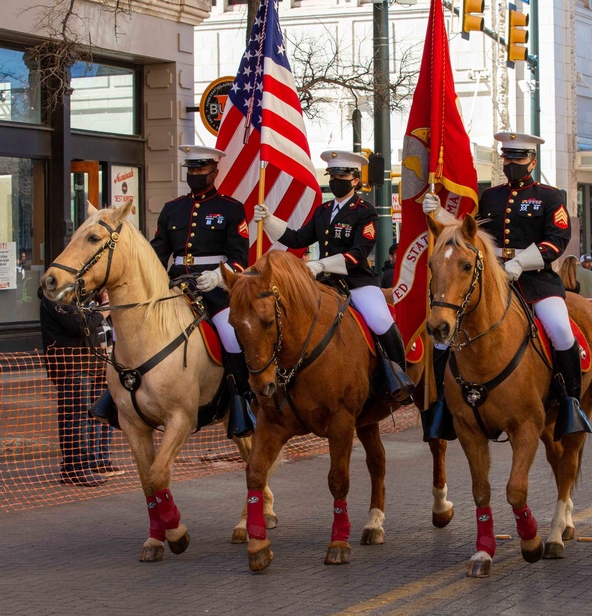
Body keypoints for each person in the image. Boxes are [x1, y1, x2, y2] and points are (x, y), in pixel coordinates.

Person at [422, 132, 591, 441]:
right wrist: (439, 213)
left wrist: (520, 263)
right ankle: (444, 405)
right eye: (508, 158)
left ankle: (570, 404)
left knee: (560, 329)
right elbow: (469, 234)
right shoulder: (492, 197)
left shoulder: (550, 197)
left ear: (532, 162)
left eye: (519, 158)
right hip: (491, 280)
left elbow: (557, 241)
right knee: (444, 340)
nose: (512, 163)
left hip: (536, 280)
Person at [89, 146, 255, 438]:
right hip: (174, 284)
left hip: (214, 289)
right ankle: (114, 397)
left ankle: (241, 400)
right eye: (191, 170)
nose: (195, 175)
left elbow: (240, 257)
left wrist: (218, 276)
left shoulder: (231, 208)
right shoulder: (173, 208)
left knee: (232, 336)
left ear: (214, 171)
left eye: (200, 170)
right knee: (127, 330)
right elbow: (156, 253)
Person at [255, 150, 415, 403]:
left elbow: (358, 254)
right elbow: (298, 239)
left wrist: (321, 264)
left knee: (381, 320)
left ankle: (399, 378)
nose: (335, 181)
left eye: (341, 175)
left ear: (354, 180)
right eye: (332, 175)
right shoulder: (324, 210)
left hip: (358, 282)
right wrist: (270, 220)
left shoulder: (366, 211)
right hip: (326, 282)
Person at [39, 287, 110, 487]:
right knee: (75, 418)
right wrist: (104, 310)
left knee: (81, 417)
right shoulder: (55, 296)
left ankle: (79, 466)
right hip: (71, 366)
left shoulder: (75, 297)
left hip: (84, 365)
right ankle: (75, 468)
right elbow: (81, 325)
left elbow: (87, 325)